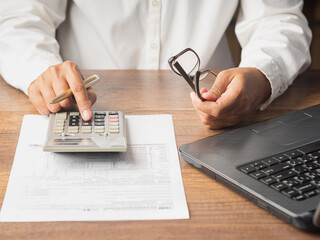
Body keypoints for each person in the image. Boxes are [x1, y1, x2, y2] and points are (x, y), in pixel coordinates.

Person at [0, 0, 311, 128]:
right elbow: (20, 16)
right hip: (83, 114)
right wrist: (38, 69)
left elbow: (278, 17)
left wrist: (263, 74)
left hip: (214, 122)